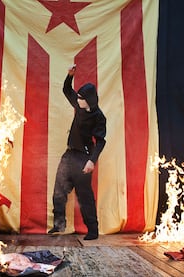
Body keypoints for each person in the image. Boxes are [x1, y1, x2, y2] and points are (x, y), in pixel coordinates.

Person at [48, 64, 106, 240]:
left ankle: (93, 230)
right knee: (59, 190)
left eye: (81, 98)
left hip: (83, 159)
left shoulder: (99, 117)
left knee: (84, 196)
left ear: (89, 100)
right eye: (78, 97)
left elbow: (101, 141)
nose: (77, 100)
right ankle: (59, 224)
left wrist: (91, 161)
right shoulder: (79, 105)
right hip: (69, 155)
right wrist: (70, 75)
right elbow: (67, 89)